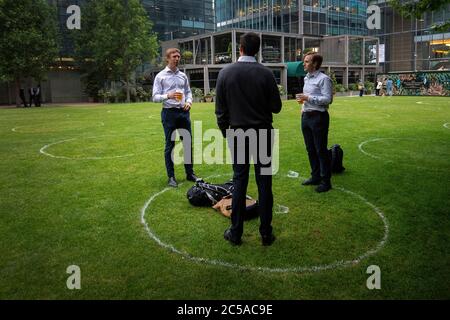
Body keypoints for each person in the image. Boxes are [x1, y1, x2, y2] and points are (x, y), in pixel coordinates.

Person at [215, 32, 282, 246]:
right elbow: (276, 107)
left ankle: (236, 233)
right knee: (264, 182)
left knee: (240, 180)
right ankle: (266, 233)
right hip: (262, 132)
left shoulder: (226, 72)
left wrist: (227, 133)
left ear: (240, 48)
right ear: (257, 50)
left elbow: (220, 111)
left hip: (237, 133)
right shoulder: (266, 74)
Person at [152, 48, 199, 187]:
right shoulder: (160, 76)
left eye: (178, 56)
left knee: (187, 144)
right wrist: (168, 95)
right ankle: (171, 177)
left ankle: (190, 173)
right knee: (170, 146)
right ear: (168, 58)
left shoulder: (183, 76)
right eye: (174, 56)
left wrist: (189, 102)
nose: (177, 58)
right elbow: (154, 97)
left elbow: (188, 92)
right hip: (169, 114)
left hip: (183, 113)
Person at [296, 52, 333, 193]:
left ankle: (326, 181)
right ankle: (315, 176)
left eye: (306, 61)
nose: (304, 64)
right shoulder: (307, 78)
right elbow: (307, 98)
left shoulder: (324, 79)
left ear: (315, 64)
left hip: (318, 118)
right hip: (306, 117)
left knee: (320, 150)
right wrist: (303, 105)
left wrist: (308, 98)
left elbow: (328, 99)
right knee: (310, 149)